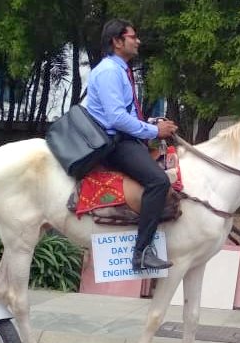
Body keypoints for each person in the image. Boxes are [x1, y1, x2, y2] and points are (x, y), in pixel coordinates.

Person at [86, 19, 179, 271]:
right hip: (114, 143)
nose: (137, 41)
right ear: (117, 41)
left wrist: (153, 123)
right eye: (132, 37)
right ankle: (142, 253)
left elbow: (125, 113)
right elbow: (116, 118)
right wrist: (153, 130)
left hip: (124, 136)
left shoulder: (120, 70)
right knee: (159, 181)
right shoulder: (108, 72)